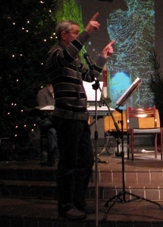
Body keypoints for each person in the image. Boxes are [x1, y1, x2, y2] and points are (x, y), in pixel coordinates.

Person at [46, 13, 115, 221]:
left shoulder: (74, 59)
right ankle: (66, 207)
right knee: (67, 163)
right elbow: (66, 56)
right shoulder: (56, 54)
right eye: (75, 33)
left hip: (79, 117)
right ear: (64, 34)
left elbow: (90, 76)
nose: (79, 37)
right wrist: (87, 32)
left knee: (85, 160)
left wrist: (103, 57)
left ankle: (78, 201)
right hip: (66, 117)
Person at [36, 83, 57, 166]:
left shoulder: (58, 93)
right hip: (45, 120)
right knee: (52, 130)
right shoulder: (42, 93)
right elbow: (43, 112)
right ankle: (52, 157)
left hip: (56, 120)